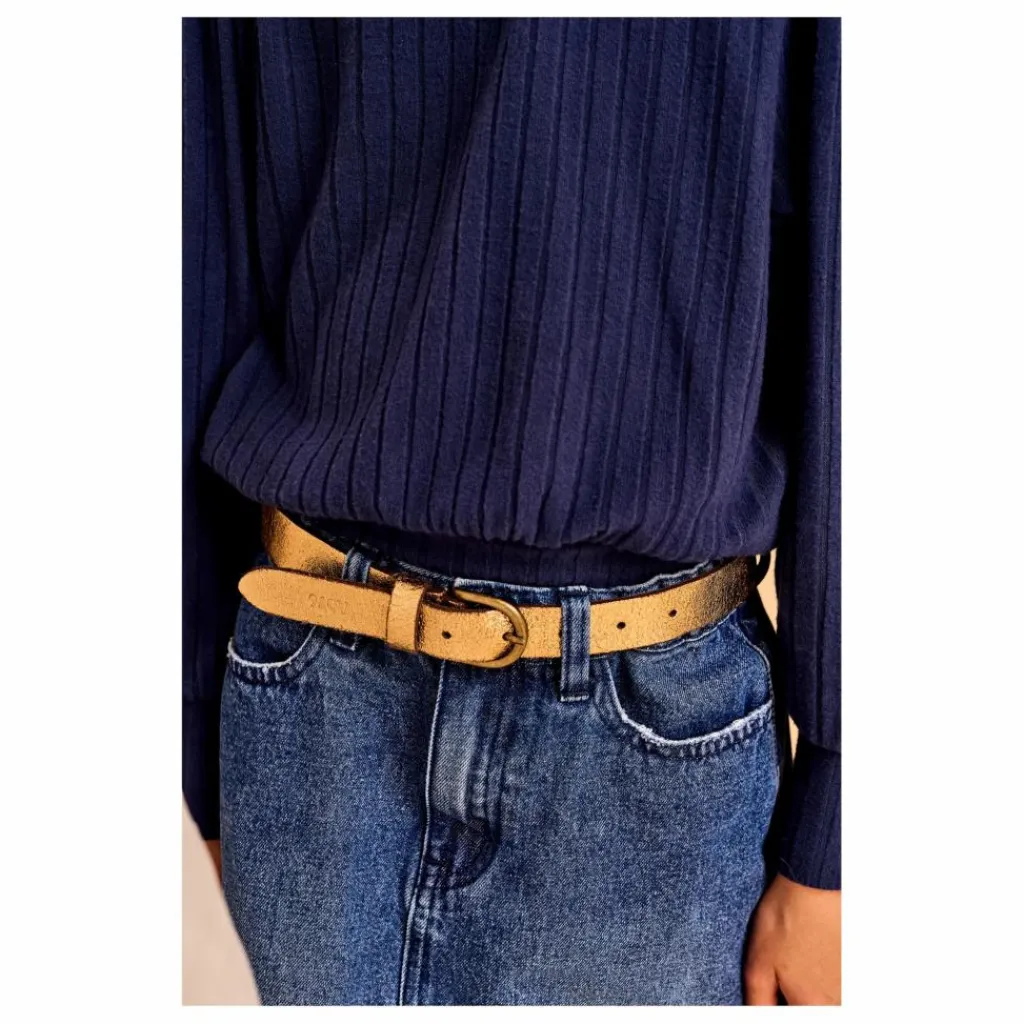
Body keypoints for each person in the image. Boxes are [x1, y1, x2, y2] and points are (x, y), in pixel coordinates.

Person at [183, 16, 840, 1005]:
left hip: (650, 752)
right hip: (305, 710)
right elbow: (199, 231)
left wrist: (839, 822)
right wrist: (189, 734)